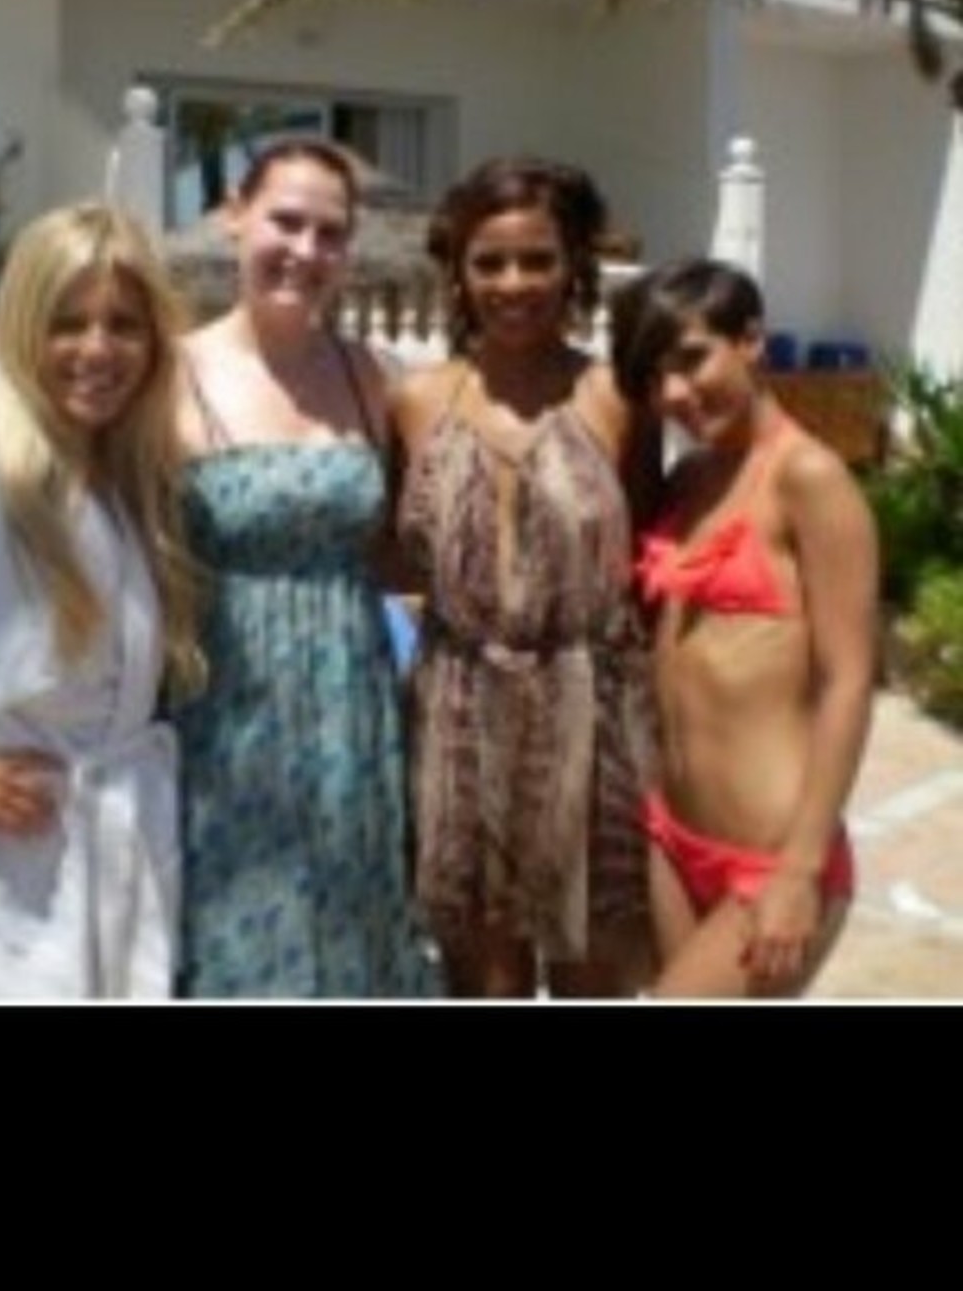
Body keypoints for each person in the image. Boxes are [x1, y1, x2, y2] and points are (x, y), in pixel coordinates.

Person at [0, 202, 203, 1001]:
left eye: (123, 324)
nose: (97, 349)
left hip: (126, 844)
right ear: (23, 329)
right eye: (68, 323)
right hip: (10, 874)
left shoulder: (130, 479)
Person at [173, 137, 438, 999]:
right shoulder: (169, 374)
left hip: (349, 703)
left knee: (352, 917)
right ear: (234, 217)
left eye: (330, 233)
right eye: (285, 222)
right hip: (224, 710)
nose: (305, 250)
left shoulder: (372, 375)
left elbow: (402, 541)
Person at [392, 156, 659, 1001]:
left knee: (593, 975)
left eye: (538, 259)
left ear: (574, 265)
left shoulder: (616, 397)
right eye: (491, 262)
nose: (514, 283)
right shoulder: (417, 400)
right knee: (484, 978)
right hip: (457, 712)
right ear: (459, 273)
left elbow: (652, 561)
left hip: (594, 715)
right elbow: (390, 555)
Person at [608, 257, 880, 1000]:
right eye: (653, 377)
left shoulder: (810, 479)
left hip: (770, 858)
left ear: (751, 340)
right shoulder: (691, 478)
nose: (674, 393)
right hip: (671, 837)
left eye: (692, 359)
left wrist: (800, 869)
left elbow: (849, 681)